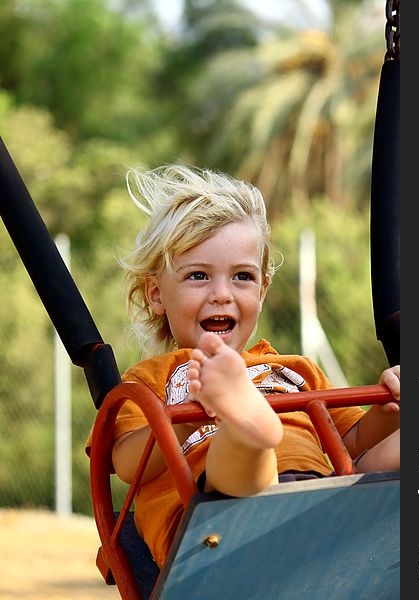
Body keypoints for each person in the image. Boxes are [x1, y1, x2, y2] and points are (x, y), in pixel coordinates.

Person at [86, 164, 400, 569]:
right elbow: (127, 466)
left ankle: (250, 426)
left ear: (263, 289)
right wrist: (185, 418)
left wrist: (387, 411)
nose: (222, 294)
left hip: (323, 498)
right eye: (198, 276)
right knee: (239, 472)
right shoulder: (149, 380)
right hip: (214, 531)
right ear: (156, 294)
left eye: (242, 277)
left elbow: (352, 441)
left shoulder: (293, 370)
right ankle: (247, 430)